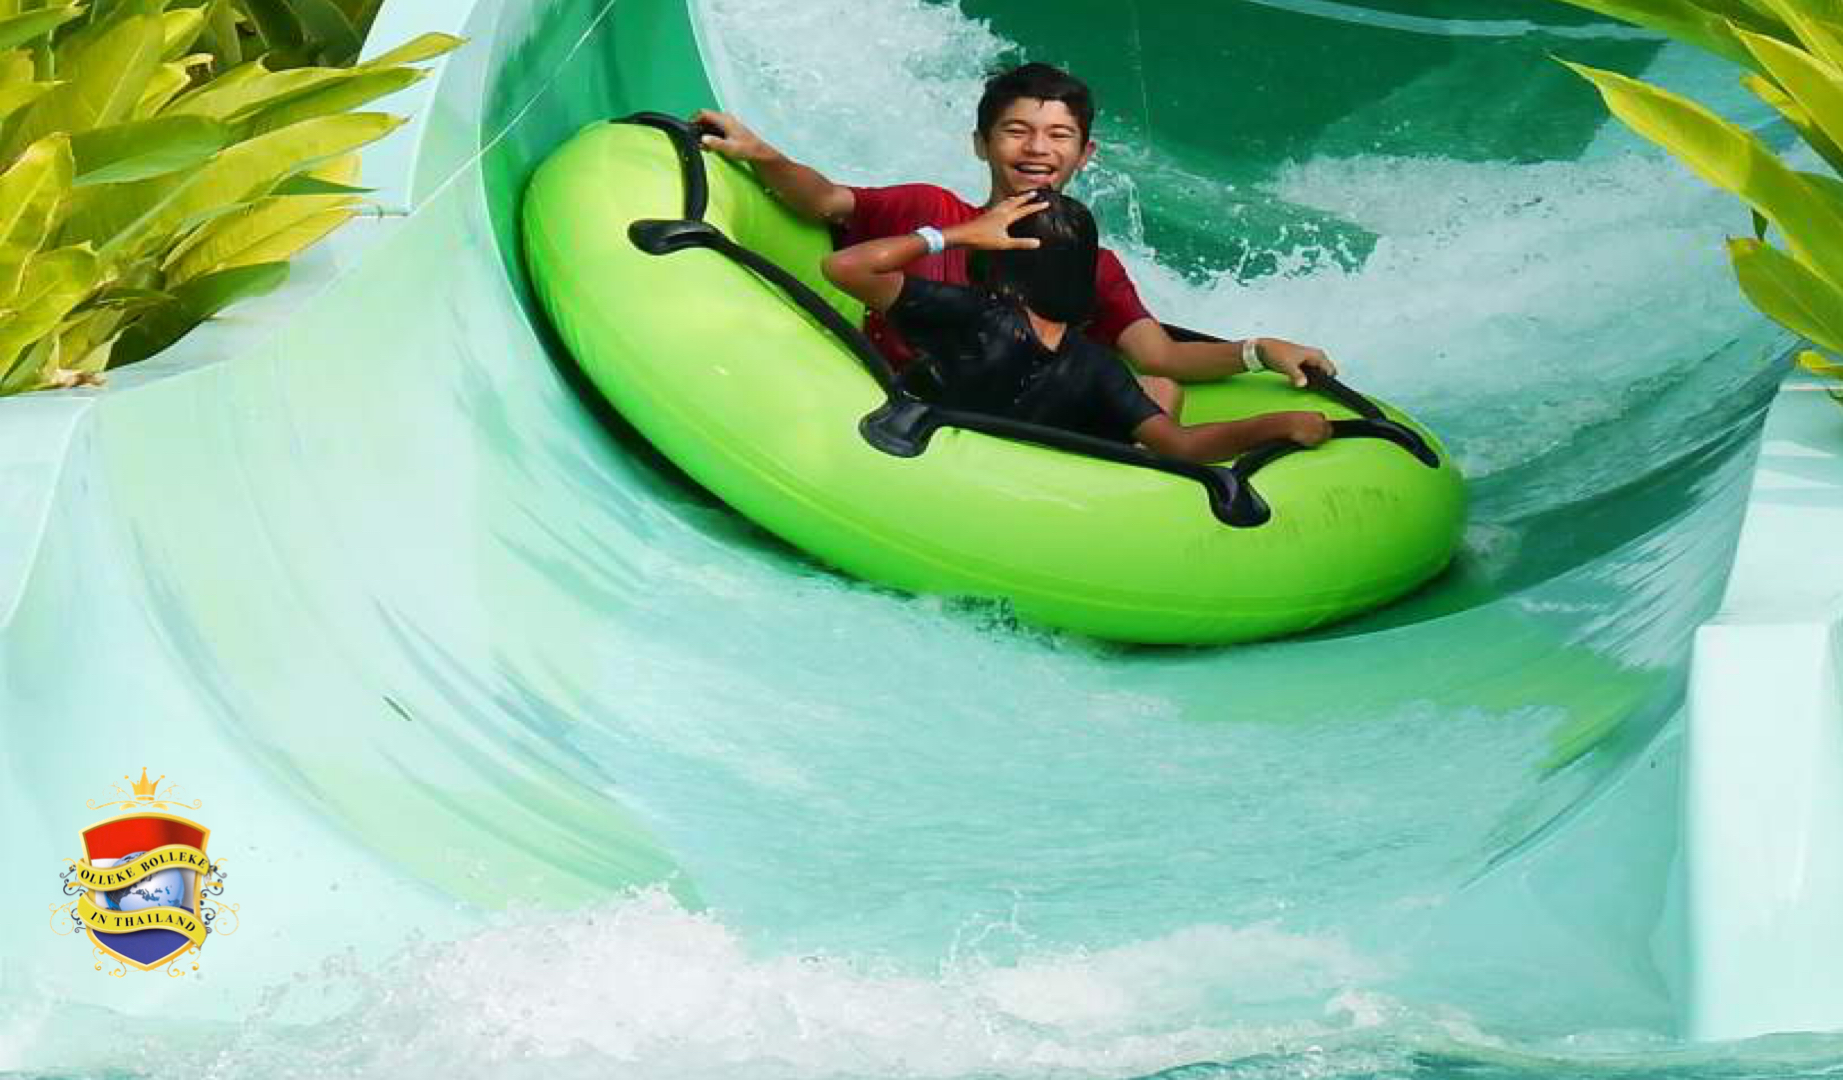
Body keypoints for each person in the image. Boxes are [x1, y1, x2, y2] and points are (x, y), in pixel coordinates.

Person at [692, 62, 1338, 413]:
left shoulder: (1090, 264)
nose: (1037, 149)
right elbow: (825, 200)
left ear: (1084, 154)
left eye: (1058, 136)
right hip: (900, 399)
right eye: (1016, 131)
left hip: (1015, 425)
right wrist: (762, 154)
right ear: (981, 143)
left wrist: (1258, 349)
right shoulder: (927, 208)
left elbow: (1161, 357)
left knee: (1159, 395)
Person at [821, 188, 1331, 463]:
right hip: (1035, 487)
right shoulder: (1098, 366)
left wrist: (956, 234)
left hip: (931, 462)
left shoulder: (965, 313)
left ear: (997, 259)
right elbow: (1184, 446)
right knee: (1158, 391)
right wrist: (1276, 424)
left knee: (1157, 388)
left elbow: (845, 267)